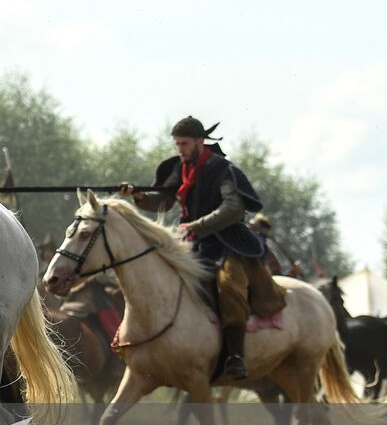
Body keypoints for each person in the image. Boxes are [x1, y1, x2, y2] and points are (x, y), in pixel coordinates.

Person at [118, 116, 280, 380]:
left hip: (228, 242)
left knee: (230, 287)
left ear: (199, 142)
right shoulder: (178, 167)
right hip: (193, 243)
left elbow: (233, 208)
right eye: (177, 144)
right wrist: (137, 195)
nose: (180, 149)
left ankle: (235, 356)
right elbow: (163, 201)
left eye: (184, 143)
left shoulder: (223, 170)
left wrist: (197, 225)